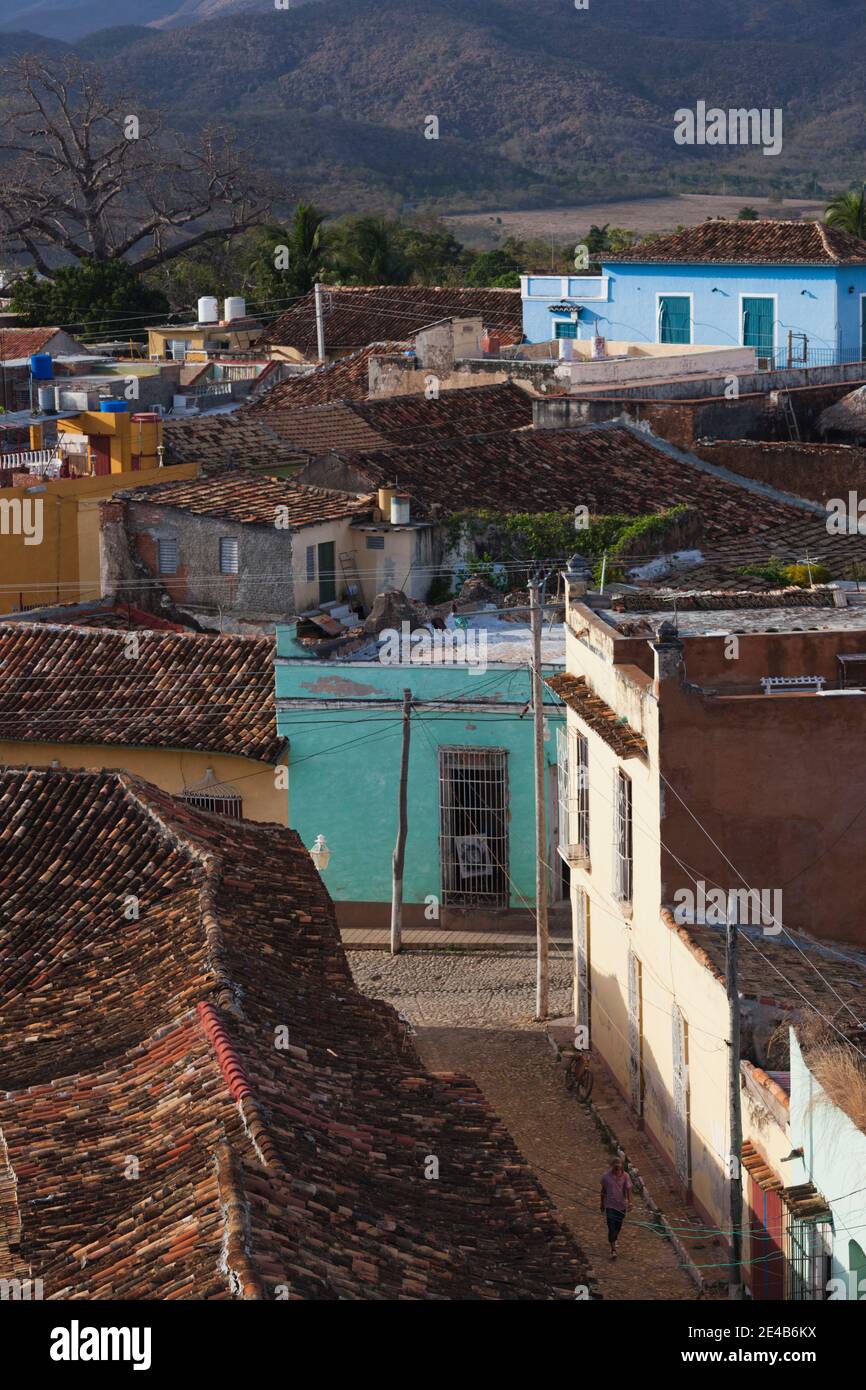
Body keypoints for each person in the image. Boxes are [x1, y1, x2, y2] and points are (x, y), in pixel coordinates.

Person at [600, 1155, 633, 1259]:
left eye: (618, 1168)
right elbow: (603, 1191)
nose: (617, 1170)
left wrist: (630, 1203)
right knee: (611, 1227)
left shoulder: (625, 1176)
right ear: (612, 1167)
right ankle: (613, 1249)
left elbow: (628, 1190)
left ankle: (614, 1238)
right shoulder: (606, 1177)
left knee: (618, 1227)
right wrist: (602, 1204)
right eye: (615, 1168)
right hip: (610, 1205)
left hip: (621, 1206)